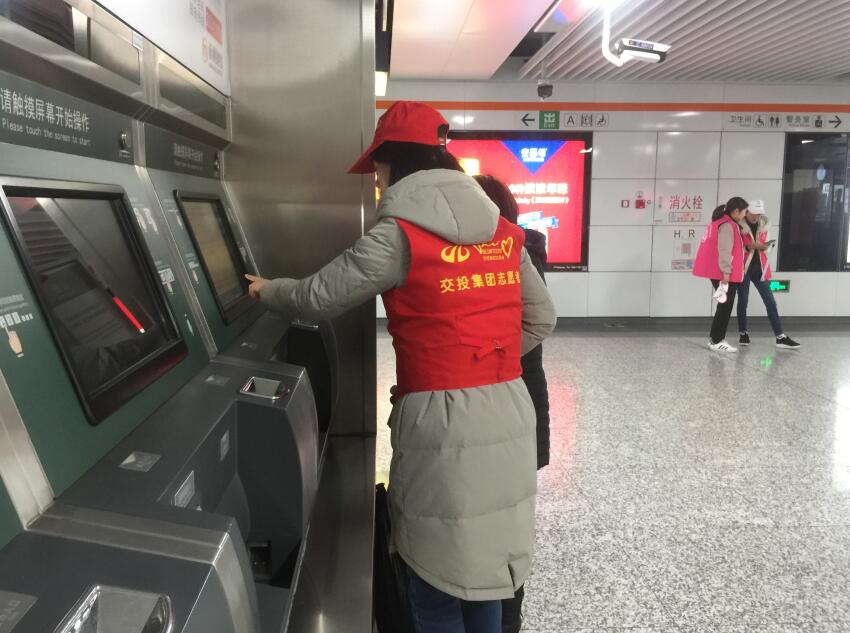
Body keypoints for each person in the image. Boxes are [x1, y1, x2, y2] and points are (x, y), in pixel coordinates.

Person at [245, 101, 557, 633]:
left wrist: (265, 290)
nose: (376, 180)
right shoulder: (505, 234)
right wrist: (485, 358)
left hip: (442, 423)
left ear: (395, 162)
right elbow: (542, 317)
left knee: (435, 579)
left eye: (378, 169)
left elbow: (319, 297)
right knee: (484, 571)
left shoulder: (400, 236)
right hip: (508, 406)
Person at [473, 175, 550, 633]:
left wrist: (471, 362)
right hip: (522, 396)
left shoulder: (508, 254)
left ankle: (505, 618)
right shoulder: (524, 249)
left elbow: (535, 324)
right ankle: (505, 614)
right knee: (506, 519)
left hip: (507, 396)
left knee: (499, 525)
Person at [736, 200, 800, 349]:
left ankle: (780, 336)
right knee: (743, 301)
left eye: (759, 214)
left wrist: (765, 247)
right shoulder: (738, 226)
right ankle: (743, 333)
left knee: (770, 301)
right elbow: (735, 247)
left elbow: (769, 247)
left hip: (761, 268)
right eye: (754, 213)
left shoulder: (765, 225)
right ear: (747, 212)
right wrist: (749, 247)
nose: (756, 217)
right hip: (743, 268)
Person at [692, 196, 749, 352]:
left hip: (720, 272)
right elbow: (724, 250)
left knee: (724, 305)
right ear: (736, 211)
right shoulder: (727, 225)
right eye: (744, 211)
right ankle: (716, 340)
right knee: (725, 306)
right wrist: (726, 273)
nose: (745, 215)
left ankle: (716, 338)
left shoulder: (722, 223)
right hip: (724, 273)